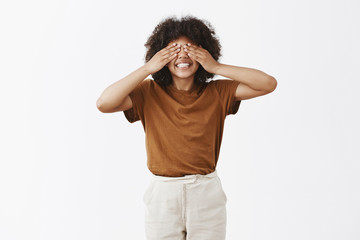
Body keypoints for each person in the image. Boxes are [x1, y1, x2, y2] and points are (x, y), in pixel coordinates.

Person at [96, 15, 277, 240]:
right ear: (161, 55)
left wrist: (217, 66)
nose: (182, 55)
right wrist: (148, 68)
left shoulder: (218, 92)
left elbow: (268, 84)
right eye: (174, 49)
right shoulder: (148, 92)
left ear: (204, 52)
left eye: (190, 48)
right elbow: (104, 103)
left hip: (206, 191)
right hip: (163, 193)